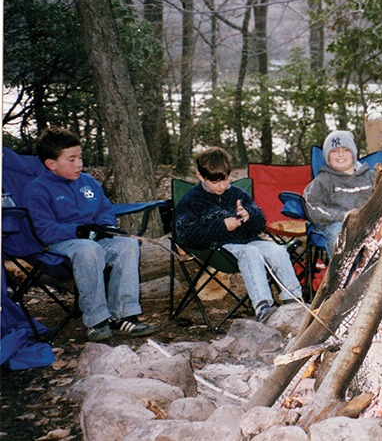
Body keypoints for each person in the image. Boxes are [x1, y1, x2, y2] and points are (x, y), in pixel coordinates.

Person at [21, 126, 155, 341]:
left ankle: (123, 315)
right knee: (88, 249)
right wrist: (77, 230)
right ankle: (96, 320)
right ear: (51, 164)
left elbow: (105, 211)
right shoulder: (37, 189)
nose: (79, 164)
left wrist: (104, 227)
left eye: (80, 157)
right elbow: (44, 230)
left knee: (127, 245)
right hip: (59, 244)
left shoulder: (89, 182)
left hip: (92, 239)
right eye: (71, 159)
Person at [175, 147, 302, 323]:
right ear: (200, 176)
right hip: (218, 249)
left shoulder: (238, 194)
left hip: (249, 241)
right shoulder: (192, 200)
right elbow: (186, 235)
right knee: (250, 253)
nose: (222, 186)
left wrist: (249, 217)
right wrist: (222, 226)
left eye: (225, 179)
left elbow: (259, 224)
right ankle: (263, 307)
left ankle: (294, 300)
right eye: (215, 181)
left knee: (277, 250)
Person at [304, 130, 375, 258]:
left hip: (371, 223)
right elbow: (311, 204)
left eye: (346, 150)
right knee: (338, 232)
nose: (341, 155)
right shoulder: (323, 180)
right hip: (339, 224)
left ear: (353, 153)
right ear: (327, 157)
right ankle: (341, 275)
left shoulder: (371, 176)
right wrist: (342, 216)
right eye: (334, 151)